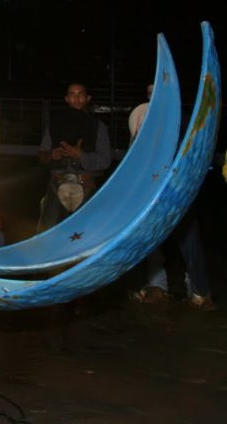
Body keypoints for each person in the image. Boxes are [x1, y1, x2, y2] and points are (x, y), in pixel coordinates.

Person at [128, 85, 216, 310]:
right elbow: (134, 162)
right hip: (150, 194)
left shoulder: (184, 122)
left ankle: (199, 292)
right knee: (149, 243)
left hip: (177, 193)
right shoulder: (141, 121)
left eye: (157, 91)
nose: (153, 96)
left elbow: (197, 153)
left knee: (189, 240)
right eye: (149, 93)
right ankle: (156, 288)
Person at [37, 82, 111, 230]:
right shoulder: (54, 124)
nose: (76, 99)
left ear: (87, 98)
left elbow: (105, 160)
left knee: (85, 233)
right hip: (57, 184)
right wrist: (52, 155)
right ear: (66, 98)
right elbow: (41, 155)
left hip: (85, 186)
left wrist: (81, 155)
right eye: (72, 94)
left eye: (80, 94)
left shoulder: (98, 127)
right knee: (47, 232)